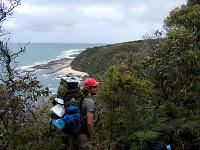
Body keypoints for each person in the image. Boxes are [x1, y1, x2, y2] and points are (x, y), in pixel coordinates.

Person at [68, 77, 99, 150]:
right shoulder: (89, 102)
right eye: (95, 87)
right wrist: (94, 138)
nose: (97, 88)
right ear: (89, 89)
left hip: (73, 133)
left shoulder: (80, 97)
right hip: (82, 135)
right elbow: (89, 123)